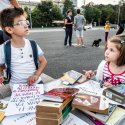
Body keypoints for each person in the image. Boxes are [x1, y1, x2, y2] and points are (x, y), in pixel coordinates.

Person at [0, 7, 47, 89]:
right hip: (16, 86)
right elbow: (1, 65)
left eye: (26, 22)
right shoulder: (3, 48)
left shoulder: (32, 44)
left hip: (35, 83)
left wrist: (36, 75)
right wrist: (1, 75)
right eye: (20, 23)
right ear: (9, 29)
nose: (26, 25)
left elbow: (43, 61)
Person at [84, 33, 125, 125]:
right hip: (102, 103)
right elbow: (99, 83)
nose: (106, 52)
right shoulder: (103, 65)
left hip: (119, 108)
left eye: (111, 50)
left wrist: (115, 88)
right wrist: (92, 76)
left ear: (122, 53)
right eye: (107, 48)